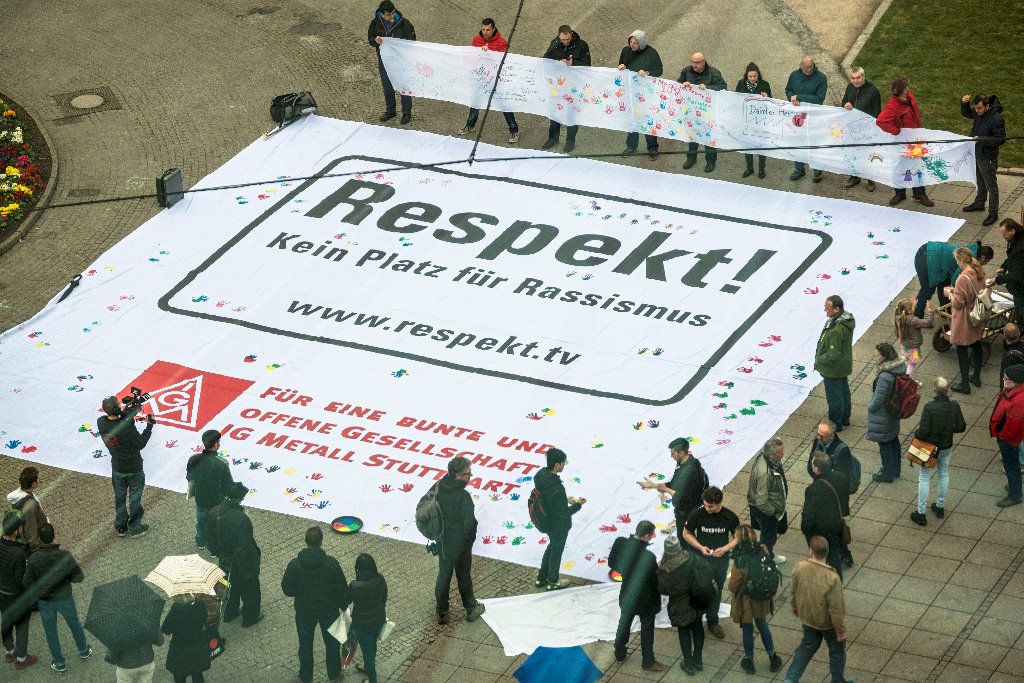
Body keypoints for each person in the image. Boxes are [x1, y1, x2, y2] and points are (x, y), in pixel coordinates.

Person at [281, 526, 350, 683]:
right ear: (321, 542)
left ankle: (306, 677)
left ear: (306, 542)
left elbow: (287, 589)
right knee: (332, 645)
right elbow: (341, 589)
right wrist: (343, 605)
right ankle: (334, 675)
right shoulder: (331, 564)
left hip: (304, 611)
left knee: (305, 646)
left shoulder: (295, 565)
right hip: (328, 611)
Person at [22, 523, 91, 674]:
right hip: (65, 598)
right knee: (74, 624)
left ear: (39, 539)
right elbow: (79, 577)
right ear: (53, 537)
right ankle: (84, 650)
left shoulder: (34, 559)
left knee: (51, 632)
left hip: (45, 602)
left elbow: (26, 582)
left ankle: (59, 663)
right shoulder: (65, 555)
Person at [783, 536, 848, 683]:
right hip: (827, 624)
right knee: (837, 652)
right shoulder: (832, 577)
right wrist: (840, 631)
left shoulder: (800, 567)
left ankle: (790, 679)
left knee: (806, 648)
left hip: (807, 618)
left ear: (810, 551)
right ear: (827, 552)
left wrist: (795, 606)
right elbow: (836, 609)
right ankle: (837, 680)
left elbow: (794, 590)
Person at [609, 520, 667, 672]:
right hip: (646, 599)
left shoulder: (621, 543)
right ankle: (648, 661)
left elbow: (612, 563)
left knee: (624, 623)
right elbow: (655, 580)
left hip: (627, 593)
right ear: (646, 536)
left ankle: (619, 651)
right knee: (647, 630)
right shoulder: (647, 557)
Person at [683, 486, 739, 639]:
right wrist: (700, 547)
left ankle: (713, 621)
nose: (707, 509)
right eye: (705, 505)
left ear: (719, 502)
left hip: (720, 562)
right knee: (697, 591)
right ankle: (695, 621)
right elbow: (686, 533)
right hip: (700, 562)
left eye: (711, 506)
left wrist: (725, 549)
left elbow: (738, 537)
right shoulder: (697, 514)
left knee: (716, 591)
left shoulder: (730, 517)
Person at [434, 457, 485, 624]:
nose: (470, 477)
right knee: (463, 576)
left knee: (444, 575)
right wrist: (468, 542)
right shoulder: (463, 497)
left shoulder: (439, 488)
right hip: (460, 544)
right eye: (467, 474)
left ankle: (442, 611)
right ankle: (471, 608)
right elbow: (469, 524)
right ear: (457, 475)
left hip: (443, 541)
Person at [205, 482, 262, 626]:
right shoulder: (242, 519)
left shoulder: (214, 512)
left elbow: (209, 539)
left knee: (231, 588)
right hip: (242, 564)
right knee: (251, 591)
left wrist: (219, 553)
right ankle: (250, 618)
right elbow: (244, 546)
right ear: (238, 500)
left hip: (225, 561)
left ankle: (230, 614)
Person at [728, 525, 782, 675]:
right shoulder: (763, 549)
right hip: (762, 596)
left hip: (747, 600)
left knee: (747, 628)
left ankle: (749, 659)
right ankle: (773, 656)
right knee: (762, 624)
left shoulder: (740, 560)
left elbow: (732, 585)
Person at [97, 395, 154, 538]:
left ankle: (121, 526)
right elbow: (140, 444)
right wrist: (149, 426)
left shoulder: (101, 422)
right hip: (134, 467)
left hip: (117, 467)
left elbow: (121, 419)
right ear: (118, 408)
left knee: (120, 497)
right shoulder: (127, 428)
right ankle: (135, 527)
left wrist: (129, 410)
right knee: (135, 498)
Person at [912, 377, 966, 525]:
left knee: (924, 478)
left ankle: (921, 513)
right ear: (947, 390)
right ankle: (940, 507)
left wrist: (916, 434)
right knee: (944, 475)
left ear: (935, 390)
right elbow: (961, 427)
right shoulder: (954, 406)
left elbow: (923, 432)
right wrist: (949, 430)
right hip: (946, 446)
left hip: (929, 448)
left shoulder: (929, 407)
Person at [457, 19, 520, 144]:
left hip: (496, 79)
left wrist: (489, 54)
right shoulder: (476, 40)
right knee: (475, 103)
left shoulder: (501, 42)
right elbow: (472, 56)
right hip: (480, 77)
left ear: (493, 29)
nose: (485, 32)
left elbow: (502, 60)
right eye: (483, 29)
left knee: (504, 104)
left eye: (488, 30)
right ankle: (470, 124)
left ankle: (514, 130)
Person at [877, 77, 934, 207]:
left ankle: (919, 193)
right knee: (900, 166)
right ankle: (899, 193)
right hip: (901, 140)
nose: (908, 90)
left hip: (915, 137)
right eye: (906, 88)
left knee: (917, 166)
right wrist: (895, 131)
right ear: (903, 91)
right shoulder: (893, 106)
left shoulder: (908, 95)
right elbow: (880, 121)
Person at [535, 448, 585, 590]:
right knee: (556, 551)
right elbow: (563, 513)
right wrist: (578, 505)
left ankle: (541, 578)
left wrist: (563, 501)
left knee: (552, 548)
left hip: (546, 521)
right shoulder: (557, 488)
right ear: (557, 465)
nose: (564, 465)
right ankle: (553, 581)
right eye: (563, 463)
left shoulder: (540, 476)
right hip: (558, 526)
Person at [807, 420, 855, 567]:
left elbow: (845, 476)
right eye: (817, 434)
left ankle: (845, 554)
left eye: (822, 435)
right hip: (821, 487)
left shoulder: (841, 449)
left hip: (835, 495)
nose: (818, 437)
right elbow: (811, 463)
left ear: (831, 435)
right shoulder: (818, 442)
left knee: (835, 527)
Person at [657, 533, 706, 676]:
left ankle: (689, 664)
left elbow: (663, 590)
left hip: (679, 606)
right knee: (698, 629)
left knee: (684, 632)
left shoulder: (664, 570)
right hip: (696, 601)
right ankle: (698, 660)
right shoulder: (691, 558)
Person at [640, 438, 706, 541]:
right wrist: (655, 485)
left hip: (688, 508)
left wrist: (665, 489)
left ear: (681, 453)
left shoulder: (689, 471)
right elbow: (675, 484)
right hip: (687, 505)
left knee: (684, 536)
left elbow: (682, 496)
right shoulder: (684, 463)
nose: (671, 456)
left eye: (673, 453)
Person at [541, 25, 591, 153]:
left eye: (568, 39)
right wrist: (557, 61)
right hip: (557, 85)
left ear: (571, 35)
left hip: (574, 85)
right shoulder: (555, 43)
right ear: (559, 36)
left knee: (571, 113)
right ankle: (553, 138)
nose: (565, 42)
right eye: (563, 40)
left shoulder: (582, 45)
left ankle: (570, 140)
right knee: (555, 112)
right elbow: (546, 59)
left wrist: (572, 63)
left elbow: (587, 65)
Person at [913, 240, 993, 318]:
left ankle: (945, 313)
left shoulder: (975, 249)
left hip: (935, 256)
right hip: (926, 256)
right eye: (986, 262)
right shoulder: (969, 260)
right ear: (983, 257)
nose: (985, 264)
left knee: (945, 285)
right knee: (928, 289)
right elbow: (955, 280)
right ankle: (916, 316)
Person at [945, 246, 987, 393]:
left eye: (957, 260)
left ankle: (964, 385)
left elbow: (957, 303)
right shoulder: (978, 270)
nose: (956, 263)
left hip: (964, 319)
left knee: (961, 351)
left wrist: (949, 293)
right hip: (976, 314)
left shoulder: (962, 278)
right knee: (976, 345)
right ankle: (976, 377)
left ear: (961, 260)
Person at [960, 93, 1006, 226]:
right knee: (980, 180)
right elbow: (967, 113)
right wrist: (964, 104)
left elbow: (1000, 139)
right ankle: (980, 203)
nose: (977, 111)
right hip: (977, 153)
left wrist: (982, 139)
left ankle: (993, 213)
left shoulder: (996, 119)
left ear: (987, 106)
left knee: (991, 186)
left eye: (979, 108)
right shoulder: (978, 112)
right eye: (976, 108)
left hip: (988, 157)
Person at [368, 0, 416, 124]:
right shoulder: (375, 23)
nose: (392, 16)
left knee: (404, 87)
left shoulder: (405, 24)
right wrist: (375, 41)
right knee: (387, 87)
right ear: (382, 14)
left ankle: (406, 113)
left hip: (401, 62)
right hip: (385, 61)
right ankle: (391, 111)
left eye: (393, 13)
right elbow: (370, 38)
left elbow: (412, 42)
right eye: (388, 15)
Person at [802, 453, 849, 578]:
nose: (811, 466)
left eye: (813, 464)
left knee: (819, 557)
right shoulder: (841, 477)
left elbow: (808, 515)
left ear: (817, 469)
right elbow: (844, 500)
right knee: (834, 556)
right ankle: (837, 580)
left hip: (820, 529)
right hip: (835, 525)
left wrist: (806, 530)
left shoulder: (813, 489)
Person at [617, 31, 663, 159]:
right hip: (631, 90)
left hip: (646, 93)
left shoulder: (651, 53)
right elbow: (622, 65)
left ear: (641, 43)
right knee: (632, 119)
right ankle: (631, 146)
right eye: (631, 42)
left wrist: (648, 73)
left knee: (648, 120)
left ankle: (652, 148)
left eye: (635, 43)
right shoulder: (626, 51)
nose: (632, 45)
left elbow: (659, 70)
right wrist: (621, 67)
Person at [678, 52, 726, 172]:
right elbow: (677, 85)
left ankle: (710, 161)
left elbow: (723, 87)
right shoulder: (686, 71)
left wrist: (708, 87)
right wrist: (683, 84)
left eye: (697, 62)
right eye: (692, 62)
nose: (694, 65)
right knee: (692, 136)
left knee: (708, 137)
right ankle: (691, 158)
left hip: (707, 112)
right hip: (691, 110)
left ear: (704, 62)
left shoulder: (714, 73)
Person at [185, 429, 233, 549]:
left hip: (200, 499)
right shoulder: (222, 463)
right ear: (216, 444)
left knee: (201, 522)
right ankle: (214, 547)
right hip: (217, 501)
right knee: (216, 525)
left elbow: (189, 477)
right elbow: (228, 485)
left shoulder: (194, 459)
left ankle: (200, 541)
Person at [867, 342, 907, 483]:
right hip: (894, 409)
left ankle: (887, 473)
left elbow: (878, 398)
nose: (875, 356)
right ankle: (895, 469)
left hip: (883, 413)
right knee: (893, 439)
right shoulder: (899, 368)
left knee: (884, 444)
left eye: (877, 354)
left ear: (884, 357)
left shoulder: (885, 376)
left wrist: (870, 407)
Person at [1, 510, 35, 670]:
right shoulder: (19, 553)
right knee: (22, 626)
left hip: (1, 594)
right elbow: (20, 580)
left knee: (6, 622)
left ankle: (9, 650)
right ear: (16, 531)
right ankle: (21, 658)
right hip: (16, 597)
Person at [814, 295, 855, 432]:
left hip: (833, 369)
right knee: (844, 392)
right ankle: (845, 418)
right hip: (843, 365)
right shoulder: (845, 321)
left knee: (834, 397)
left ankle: (835, 423)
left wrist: (820, 360)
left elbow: (833, 354)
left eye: (828, 309)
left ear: (837, 309)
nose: (826, 312)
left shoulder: (837, 330)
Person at [785, 56, 828, 182]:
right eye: (806, 67)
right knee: (798, 141)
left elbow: (819, 98)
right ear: (801, 66)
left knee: (813, 142)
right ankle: (799, 168)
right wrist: (791, 98)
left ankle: (817, 170)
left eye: (811, 66)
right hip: (797, 116)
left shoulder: (821, 78)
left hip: (814, 116)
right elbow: (788, 90)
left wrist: (799, 97)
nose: (809, 69)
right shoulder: (794, 76)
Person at [746, 438, 788, 563]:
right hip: (765, 510)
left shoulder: (767, 460)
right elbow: (761, 501)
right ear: (771, 454)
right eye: (779, 453)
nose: (783, 454)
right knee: (768, 537)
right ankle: (764, 560)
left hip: (768, 506)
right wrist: (773, 512)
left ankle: (768, 555)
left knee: (769, 534)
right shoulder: (765, 473)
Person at [840, 67, 882, 191]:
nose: (856, 81)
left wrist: (873, 129)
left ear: (863, 77)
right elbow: (843, 102)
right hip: (851, 128)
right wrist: (845, 105)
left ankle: (870, 179)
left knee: (867, 154)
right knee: (853, 153)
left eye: (858, 77)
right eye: (853, 78)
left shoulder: (873, 91)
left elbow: (877, 113)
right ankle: (855, 177)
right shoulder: (850, 88)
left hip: (866, 129)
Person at [348, 553, 387, 683]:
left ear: (358, 569)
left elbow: (346, 600)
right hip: (379, 619)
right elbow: (384, 598)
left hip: (362, 625)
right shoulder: (380, 579)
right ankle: (367, 666)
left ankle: (372, 679)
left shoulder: (354, 586)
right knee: (372, 644)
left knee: (367, 653)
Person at [990, 365, 1024, 508]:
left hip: (1008, 439)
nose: (1003, 380)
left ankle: (1015, 495)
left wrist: (1002, 437)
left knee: (1011, 466)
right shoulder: (1012, 391)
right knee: (1012, 466)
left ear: (1014, 381)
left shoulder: (1018, 401)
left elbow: (1013, 425)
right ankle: (1014, 486)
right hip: (1005, 436)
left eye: (1006, 379)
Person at [161, 594, 209, 683]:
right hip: (197, 644)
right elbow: (205, 618)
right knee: (197, 673)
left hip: (180, 650)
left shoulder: (175, 612)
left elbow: (166, 629)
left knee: (180, 676)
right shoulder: (200, 605)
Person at [735, 63, 771, 179]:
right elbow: (736, 97)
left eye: (755, 76)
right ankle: (749, 168)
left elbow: (771, 101)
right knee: (748, 145)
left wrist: (767, 96)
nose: (752, 79)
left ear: (758, 75)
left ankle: (761, 169)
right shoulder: (741, 84)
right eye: (750, 76)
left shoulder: (765, 84)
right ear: (747, 75)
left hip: (760, 120)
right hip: (746, 120)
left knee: (761, 146)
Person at [988, 218, 1024, 323]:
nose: (1004, 237)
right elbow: (1011, 257)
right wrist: (1004, 267)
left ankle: (1019, 332)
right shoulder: (1015, 239)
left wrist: (997, 279)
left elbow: (1017, 274)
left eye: (1005, 234)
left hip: (1021, 288)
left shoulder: (1021, 249)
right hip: (1019, 284)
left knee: (1020, 311)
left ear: (1012, 230)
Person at [5, 466, 47, 552]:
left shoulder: (20, 496)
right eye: (38, 479)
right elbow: (30, 530)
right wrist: (37, 549)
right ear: (33, 484)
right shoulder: (29, 506)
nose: (40, 480)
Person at [894, 296, 934, 376]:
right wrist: (929, 310)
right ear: (908, 310)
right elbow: (927, 322)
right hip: (914, 348)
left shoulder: (899, 317)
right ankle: (907, 380)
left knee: (906, 361)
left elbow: (909, 314)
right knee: (912, 364)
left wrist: (913, 306)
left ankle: (902, 376)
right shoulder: (914, 320)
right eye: (911, 307)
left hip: (905, 345)